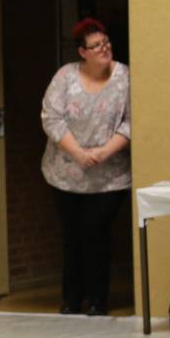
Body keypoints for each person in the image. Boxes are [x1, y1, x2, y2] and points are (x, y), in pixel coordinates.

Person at [40, 18, 133, 316]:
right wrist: (78, 153)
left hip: (110, 175)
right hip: (66, 171)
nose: (103, 49)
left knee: (94, 230)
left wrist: (105, 150)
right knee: (72, 234)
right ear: (82, 52)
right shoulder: (65, 77)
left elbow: (132, 120)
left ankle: (97, 299)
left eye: (105, 43)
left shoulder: (124, 77)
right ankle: (71, 298)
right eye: (96, 46)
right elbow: (51, 118)